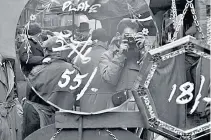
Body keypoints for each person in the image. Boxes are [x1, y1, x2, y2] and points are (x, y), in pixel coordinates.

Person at [76, 28, 113, 112]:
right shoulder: (110, 56)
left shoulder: (80, 57)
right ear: (106, 41)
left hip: (85, 98)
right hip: (104, 99)